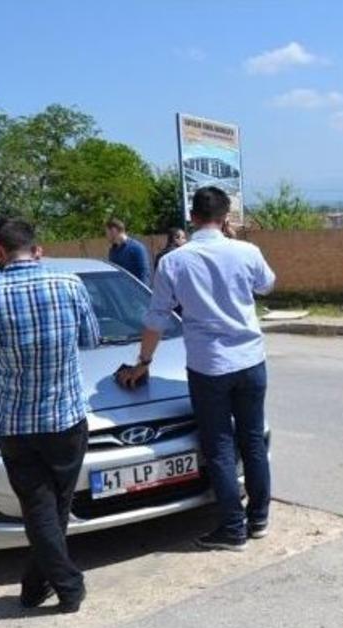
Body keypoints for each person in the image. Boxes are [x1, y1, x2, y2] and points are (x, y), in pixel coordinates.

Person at [118, 187, 275, 551]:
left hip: (209, 366)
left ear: (192, 217)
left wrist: (144, 363)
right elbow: (267, 285)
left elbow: (156, 318)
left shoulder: (174, 261)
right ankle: (260, 518)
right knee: (252, 438)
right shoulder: (246, 251)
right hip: (251, 361)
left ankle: (233, 528)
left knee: (218, 445)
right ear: (226, 217)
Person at [0, 216, 100, 613]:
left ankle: (39, 586)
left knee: (42, 508)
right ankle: (64, 584)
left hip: (16, 422)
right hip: (66, 418)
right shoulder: (69, 283)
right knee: (54, 506)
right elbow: (91, 338)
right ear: (36, 248)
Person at [106, 217, 151, 283]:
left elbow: (144, 274)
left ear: (114, 231)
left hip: (135, 291)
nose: (106, 236)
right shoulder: (113, 251)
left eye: (107, 232)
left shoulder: (137, 248)